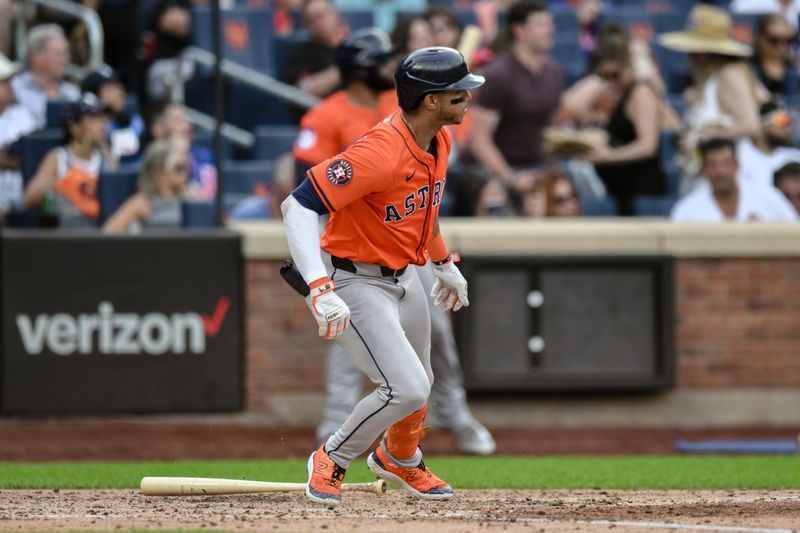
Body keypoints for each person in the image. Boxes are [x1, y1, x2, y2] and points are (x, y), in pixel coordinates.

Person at [281, 46, 484, 505]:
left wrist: (443, 262)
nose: (467, 99)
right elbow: (296, 206)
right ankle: (332, 457)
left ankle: (400, 459)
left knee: (422, 383)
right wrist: (318, 285)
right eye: (458, 93)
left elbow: (423, 211)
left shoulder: (439, 139)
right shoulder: (380, 150)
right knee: (406, 387)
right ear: (430, 100)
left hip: (404, 275)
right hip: (354, 278)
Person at [468, 0, 564, 208]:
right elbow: (480, 141)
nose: (550, 30)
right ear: (519, 30)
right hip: (497, 170)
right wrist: (511, 177)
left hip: (534, 166)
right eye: (541, 24)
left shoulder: (554, 73)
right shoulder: (499, 75)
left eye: (550, 24)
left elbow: (550, 129)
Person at [659, 5, 764, 189]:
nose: (690, 57)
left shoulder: (729, 73)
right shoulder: (708, 79)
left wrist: (704, 137)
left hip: (732, 177)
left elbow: (750, 125)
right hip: (708, 177)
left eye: (695, 52)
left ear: (709, 52)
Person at [580, 24, 666, 216]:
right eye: (604, 76)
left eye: (615, 75)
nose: (610, 82)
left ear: (629, 64)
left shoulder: (641, 92)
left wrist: (610, 156)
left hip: (642, 194)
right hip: (623, 190)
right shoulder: (624, 93)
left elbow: (647, 145)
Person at [22, 93, 116, 227]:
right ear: (75, 127)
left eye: (103, 118)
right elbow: (27, 200)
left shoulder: (107, 156)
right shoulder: (58, 157)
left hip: (101, 230)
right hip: (67, 233)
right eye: (94, 118)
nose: (103, 124)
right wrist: (64, 182)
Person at [671, 137, 797, 222]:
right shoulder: (687, 209)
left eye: (727, 163)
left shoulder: (767, 196)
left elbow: (793, 232)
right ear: (703, 168)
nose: (720, 172)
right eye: (712, 165)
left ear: (737, 165)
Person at [280, 0, 348, 123]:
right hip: (322, 120)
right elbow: (302, 91)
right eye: (311, 20)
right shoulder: (301, 54)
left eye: (321, 16)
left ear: (335, 14)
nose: (318, 23)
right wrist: (345, 69)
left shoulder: (353, 47)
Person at [103, 139, 189, 232]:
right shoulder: (142, 203)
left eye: (186, 167)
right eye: (179, 168)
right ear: (158, 172)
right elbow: (108, 233)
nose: (184, 173)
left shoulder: (190, 198)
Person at [11, 24, 80, 128]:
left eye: (67, 53)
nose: (66, 60)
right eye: (59, 54)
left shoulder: (73, 93)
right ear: (37, 57)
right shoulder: (14, 90)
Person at [149, 101, 216, 200]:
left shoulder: (205, 157)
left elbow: (212, 195)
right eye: (178, 121)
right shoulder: (155, 158)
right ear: (160, 129)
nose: (187, 126)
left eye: (187, 120)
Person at [82, 66, 146, 164]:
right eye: (111, 88)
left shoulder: (134, 121)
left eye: (119, 86)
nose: (120, 92)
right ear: (94, 95)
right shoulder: (88, 129)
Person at [0, 54, 38, 214]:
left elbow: (35, 154)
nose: (10, 86)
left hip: (21, 194)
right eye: (4, 82)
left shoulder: (22, 114)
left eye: (10, 81)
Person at [737, 101, 800, 187]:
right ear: (762, 124)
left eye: (789, 123)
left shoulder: (794, 158)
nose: (787, 129)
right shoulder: (740, 156)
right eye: (781, 121)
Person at [751, 13, 798, 101]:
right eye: (774, 40)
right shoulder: (748, 70)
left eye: (788, 40)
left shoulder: (795, 71)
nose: (781, 46)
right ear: (759, 38)